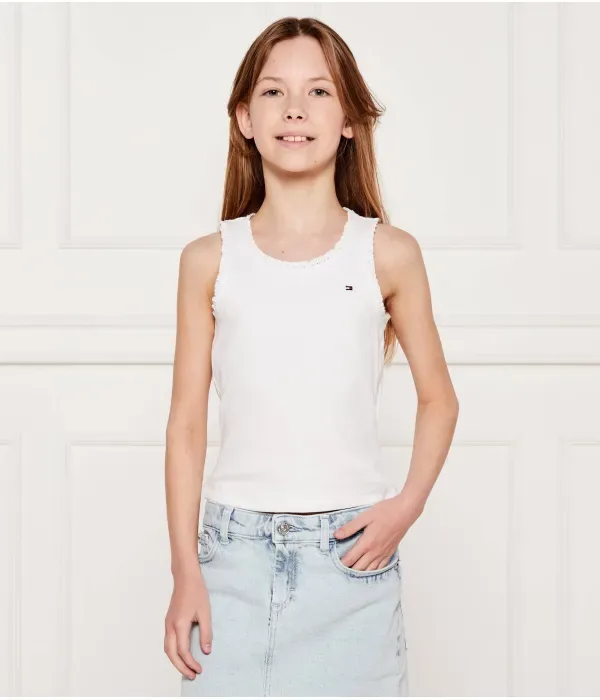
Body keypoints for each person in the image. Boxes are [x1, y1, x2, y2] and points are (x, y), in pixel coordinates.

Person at [164, 16, 459, 697]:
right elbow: (185, 425)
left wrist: (406, 506)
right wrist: (185, 571)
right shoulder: (208, 260)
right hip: (230, 562)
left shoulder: (388, 253)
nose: (294, 109)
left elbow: (439, 398)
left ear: (350, 119)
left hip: (351, 565)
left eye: (319, 91)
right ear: (245, 118)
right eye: (273, 92)